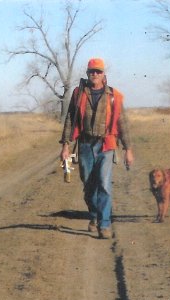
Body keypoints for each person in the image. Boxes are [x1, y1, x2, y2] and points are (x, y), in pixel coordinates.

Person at [60, 58, 134, 239]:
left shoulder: (113, 96)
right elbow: (70, 120)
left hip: (106, 145)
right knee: (88, 184)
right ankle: (93, 215)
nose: (95, 74)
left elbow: (122, 122)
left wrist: (128, 149)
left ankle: (105, 224)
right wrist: (65, 146)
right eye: (92, 71)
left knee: (104, 184)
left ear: (103, 75)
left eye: (98, 72)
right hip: (85, 145)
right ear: (87, 73)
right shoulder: (78, 94)